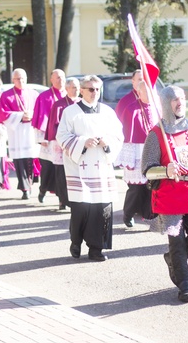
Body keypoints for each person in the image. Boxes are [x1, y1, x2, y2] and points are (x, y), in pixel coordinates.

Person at [141, 85, 188, 303]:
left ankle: (172, 259)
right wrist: (165, 170)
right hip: (169, 194)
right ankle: (185, 285)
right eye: (174, 99)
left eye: (182, 98)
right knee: (177, 241)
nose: (179, 102)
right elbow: (146, 170)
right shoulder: (156, 133)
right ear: (166, 104)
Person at [57, 75, 123, 262]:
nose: (94, 93)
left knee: (102, 209)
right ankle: (76, 241)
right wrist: (82, 142)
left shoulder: (108, 112)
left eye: (97, 89)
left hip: (102, 167)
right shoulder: (70, 112)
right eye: (90, 89)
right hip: (80, 167)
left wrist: (106, 142)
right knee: (82, 209)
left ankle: (96, 249)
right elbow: (61, 136)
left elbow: (118, 136)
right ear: (82, 91)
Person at [116, 79, 158, 227]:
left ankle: (150, 216)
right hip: (136, 153)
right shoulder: (131, 109)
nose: (149, 94)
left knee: (152, 186)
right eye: (145, 91)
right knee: (136, 189)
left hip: (153, 152)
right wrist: (129, 160)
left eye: (151, 91)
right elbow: (127, 137)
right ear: (139, 93)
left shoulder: (156, 108)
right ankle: (128, 214)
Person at [0, 68, 40, 199]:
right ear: (13, 80)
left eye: (23, 78)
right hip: (16, 132)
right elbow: (2, 113)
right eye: (18, 78)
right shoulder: (6, 95)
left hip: (31, 131)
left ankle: (29, 183)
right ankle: (24, 188)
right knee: (19, 160)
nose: (21, 81)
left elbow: (40, 110)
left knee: (31, 158)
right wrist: (21, 116)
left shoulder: (34, 94)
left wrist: (32, 115)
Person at [46, 77, 80, 211]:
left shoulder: (82, 103)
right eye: (73, 87)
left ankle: (74, 200)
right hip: (61, 144)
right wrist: (62, 142)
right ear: (66, 89)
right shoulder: (59, 104)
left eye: (78, 87)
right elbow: (54, 125)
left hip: (77, 143)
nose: (76, 90)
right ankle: (62, 200)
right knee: (61, 173)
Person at [32, 69, 66, 203]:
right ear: (51, 79)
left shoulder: (68, 96)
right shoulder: (44, 96)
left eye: (62, 77)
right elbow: (39, 117)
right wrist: (41, 138)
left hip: (63, 140)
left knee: (61, 171)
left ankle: (62, 199)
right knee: (47, 169)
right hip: (48, 139)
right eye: (57, 78)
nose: (60, 80)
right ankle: (42, 189)